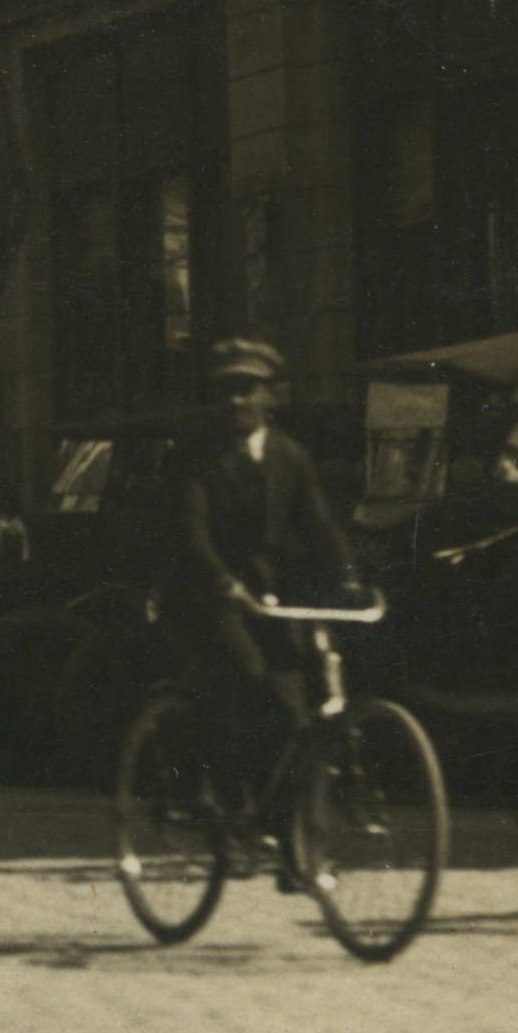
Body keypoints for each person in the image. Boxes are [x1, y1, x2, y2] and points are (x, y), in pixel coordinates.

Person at [159, 336, 369, 830]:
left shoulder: (290, 456)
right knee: (248, 675)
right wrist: (222, 581)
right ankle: (219, 793)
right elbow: (191, 532)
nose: (237, 400)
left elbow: (319, 525)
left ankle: (279, 818)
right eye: (227, 390)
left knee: (294, 693)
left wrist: (350, 578)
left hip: (268, 594)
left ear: (269, 396)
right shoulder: (195, 455)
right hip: (205, 592)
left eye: (248, 388)